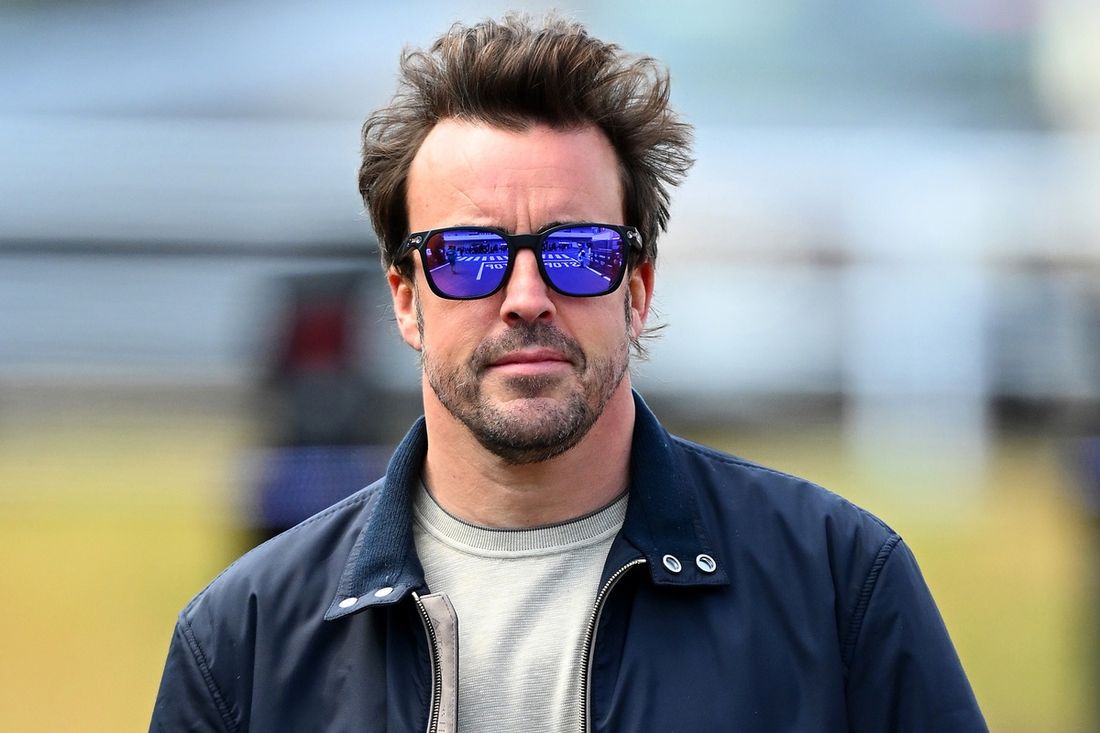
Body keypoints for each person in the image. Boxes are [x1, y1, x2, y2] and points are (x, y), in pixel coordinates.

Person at [149, 14, 987, 732]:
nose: (526, 297)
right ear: (405, 298)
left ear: (638, 289)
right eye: (468, 255)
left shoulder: (839, 587)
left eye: (578, 251)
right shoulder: (243, 643)